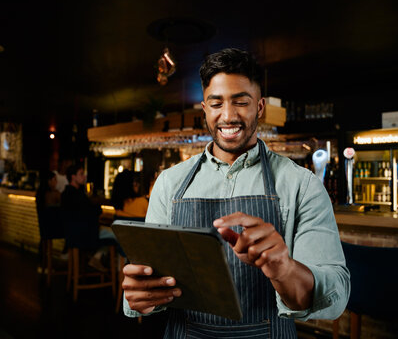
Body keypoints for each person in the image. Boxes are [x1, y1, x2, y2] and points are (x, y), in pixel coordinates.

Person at [122, 48, 350, 338]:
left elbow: (336, 297)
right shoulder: (170, 183)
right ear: (204, 109)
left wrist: (284, 268)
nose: (228, 116)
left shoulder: (302, 184)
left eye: (241, 102)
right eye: (216, 104)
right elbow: (151, 283)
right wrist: (142, 296)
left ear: (260, 107)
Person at [61, 163, 114, 272]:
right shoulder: (77, 195)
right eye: (81, 174)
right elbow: (95, 211)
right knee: (117, 235)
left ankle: (94, 258)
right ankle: (99, 258)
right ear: (73, 177)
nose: (84, 176)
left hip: (73, 236)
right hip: (86, 235)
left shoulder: (65, 193)